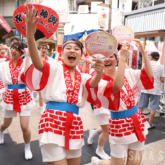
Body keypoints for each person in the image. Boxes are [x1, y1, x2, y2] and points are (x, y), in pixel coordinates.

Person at [23, 4, 111, 165]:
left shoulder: (83, 75)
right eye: (68, 48)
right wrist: (30, 36)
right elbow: (37, 64)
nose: (72, 50)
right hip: (52, 121)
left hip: (75, 123)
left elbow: (92, 84)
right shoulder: (54, 66)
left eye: (76, 49)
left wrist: (99, 72)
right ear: (62, 53)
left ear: (81, 55)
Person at [90, 40, 154, 165]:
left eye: (111, 56)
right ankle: (98, 162)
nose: (107, 59)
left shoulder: (128, 73)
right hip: (119, 125)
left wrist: (144, 54)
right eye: (103, 58)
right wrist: (123, 60)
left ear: (116, 59)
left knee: (134, 163)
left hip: (137, 120)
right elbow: (116, 87)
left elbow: (147, 76)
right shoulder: (99, 82)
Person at [0, 41, 35, 160]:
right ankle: (1, 132)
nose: (14, 50)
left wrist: (29, 56)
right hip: (9, 96)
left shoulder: (26, 62)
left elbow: (26, 76)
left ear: (22, 52)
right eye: (12, 48)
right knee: (6, 123)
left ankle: (27, 147)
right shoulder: (4, 65)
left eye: (17, 49)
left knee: (24, 127)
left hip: (23, 96)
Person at [138, 52, 165, 129]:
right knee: (153, 108)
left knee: (141, 107)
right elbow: (163, 80)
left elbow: (141, 75)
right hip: (155, 90)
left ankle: (139, 123)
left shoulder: (145, 64)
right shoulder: (161, 66)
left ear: (151, 57)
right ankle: (149, 124)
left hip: (145, 89)